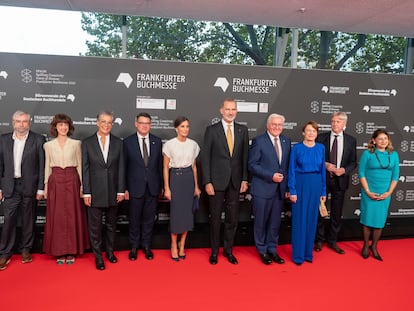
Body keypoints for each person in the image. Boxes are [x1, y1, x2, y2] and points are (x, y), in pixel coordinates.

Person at [201, 98, 249, 265]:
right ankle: (214, 252)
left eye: (233, 109)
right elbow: (205, 158)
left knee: (232, 219)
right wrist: (207, 181)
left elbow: (244, 157)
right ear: (221, 110)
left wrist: (244, 178)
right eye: (227, 109)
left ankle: (228, 251)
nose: (230, 112)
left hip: (235, 182)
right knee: (215, 219)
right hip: (216, 182)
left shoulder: (243, 130)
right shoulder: (211, 130)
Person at [0, 111, 45, 271]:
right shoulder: (3, 140)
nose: (21, 124)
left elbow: (42, 167)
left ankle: (26, 249)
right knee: (9, 221)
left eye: (24, 121)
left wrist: (41, 188)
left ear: (29, 123)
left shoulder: (39, 140)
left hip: (29, 187)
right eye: (18, 121)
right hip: (9, 187)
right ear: (13, 122)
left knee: (28, 219)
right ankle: (5, 253)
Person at [43, 114, 90, 264]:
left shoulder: (76, 144)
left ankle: (72, 250)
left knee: (72, 215)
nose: (63, 127)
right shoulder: (48, 145)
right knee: (57, 217)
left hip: (72, 179)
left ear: (69, 127)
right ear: (55, 127)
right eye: (60, 125)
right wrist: (45, 186)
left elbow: (80, 166)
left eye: (66, 125)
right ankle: (59, 251)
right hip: (55, 180)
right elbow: (47, 167)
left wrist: (83, 186)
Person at [82, 111, 125, 270]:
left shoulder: (118, 143)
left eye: (109, 122)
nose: (106, 125)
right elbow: (85, 169)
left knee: (111, 225)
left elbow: (121, 168)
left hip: (113, 191)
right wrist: (86, 192)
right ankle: (98, 256)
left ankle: (110, 252)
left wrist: (121, 190)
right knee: (95, 227)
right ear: (97, 122)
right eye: (103, 122)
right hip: (94, 192)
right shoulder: (87, 142)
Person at [248, 113, 291, 265]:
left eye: (280, 125)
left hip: (279, 191)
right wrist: (270, 175)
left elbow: (286, 167)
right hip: (262, 189)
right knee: (260, 222)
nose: (277, 127)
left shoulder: (286, 141)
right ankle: (262, 251)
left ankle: (272, 249)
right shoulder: (259, 141)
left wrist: (287, 187)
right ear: (268, 125)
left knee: (275, 223)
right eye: (274, 124)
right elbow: (252, 165)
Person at [314, 112, 357, 254]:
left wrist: (344, 170)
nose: (334, 124)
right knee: (320, 211)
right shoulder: (321, 138)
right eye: (332, 121)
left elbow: (353, 162)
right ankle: (319, 240)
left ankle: (332, 241)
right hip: (323, 180)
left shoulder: (351, 140)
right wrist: (325, 165)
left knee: (336, 214)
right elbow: (315, 157)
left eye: (338, 121)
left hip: (341, 181)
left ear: (344, 124)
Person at [124, 112, 163, 261]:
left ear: (150, 125)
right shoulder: (127, 142)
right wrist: (124, 188)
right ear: (136, 124)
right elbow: (124, 167)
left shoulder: (157, 141)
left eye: (147, 123)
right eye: (141, 123)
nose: (144, 126)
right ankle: (134, 246)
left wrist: (161, 186)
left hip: (152, 188)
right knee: (134, 219)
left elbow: (159, 166)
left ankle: (146, 246)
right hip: (134, 188)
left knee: (149, 219)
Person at [288, 121, 326, 265]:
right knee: (299, 220)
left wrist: (323, 190)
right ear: (303, 133)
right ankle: (298, 256)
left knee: (311, 220)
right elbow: (291, 170)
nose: (311, 133)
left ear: (317, 134)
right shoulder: (297, 148)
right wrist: (292, 189)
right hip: (300, 184)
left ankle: (307, 254)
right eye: (308, 130)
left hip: (316, 184)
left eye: (314, 131)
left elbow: (322, 169)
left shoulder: (321, 148)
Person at [163, 116, 201, 261]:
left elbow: (194, 167)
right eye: (182, 126)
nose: (185, 129)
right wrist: (167, 188)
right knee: (176, 214)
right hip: (175, 178)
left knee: (187, 214)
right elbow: (165, 168)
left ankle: (182, 245)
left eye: (187, 126)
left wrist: (196, 186)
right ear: (176, 128)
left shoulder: (193, 145)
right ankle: (173, 245)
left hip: (188, 179)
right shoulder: (169, 145)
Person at [358, 129, 399, 261]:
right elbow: (361, 173)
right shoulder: (367, 154)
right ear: (374, 141)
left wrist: (389, 192)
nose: (383, 141)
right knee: (367, 219)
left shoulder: (394, 155)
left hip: (385, 193)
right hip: (369, 191)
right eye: (380, 139)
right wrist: (368, 191)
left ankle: (374, 246)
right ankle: (365, 245)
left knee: (379, 221)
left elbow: (395, 176)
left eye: (385, 139)